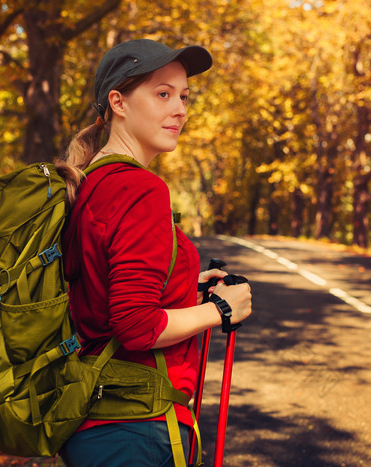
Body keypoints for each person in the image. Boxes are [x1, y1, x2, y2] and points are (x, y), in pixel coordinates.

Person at [58, 39, 253, 467]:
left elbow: (100, 288)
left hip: (98, 425)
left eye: (184, 97)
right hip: (135, 429)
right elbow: (134, 325)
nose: (180, 109)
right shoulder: (140, 188)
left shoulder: (92, 182)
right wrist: (221, 309)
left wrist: (185, 285)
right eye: (162, 94)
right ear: (118, 102)